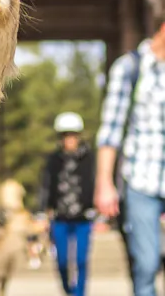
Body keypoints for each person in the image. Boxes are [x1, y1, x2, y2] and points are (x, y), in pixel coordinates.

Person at [95, 15, 165, 296]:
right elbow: (110, 130)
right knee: (146, 264)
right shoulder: (130, 67)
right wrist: (104, 184)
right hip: (141, 181)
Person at [39, 112, 95, 296]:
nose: (69, 139)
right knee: (62, 261)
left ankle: (79, 293)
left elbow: (95, 183)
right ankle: (68, 290)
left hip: (83, 217)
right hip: (60, 218)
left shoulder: (90, 158)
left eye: (72, 135)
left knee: (81, 260)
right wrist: (44, 212)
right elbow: (46, 186)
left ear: (78, 136)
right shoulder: (53, 160)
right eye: (65, 135)